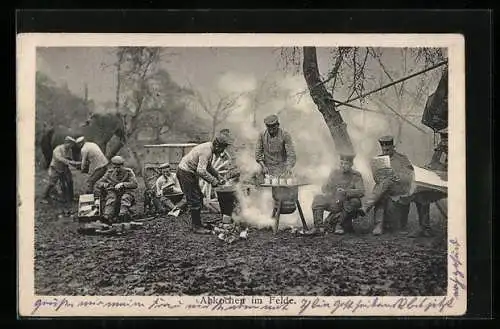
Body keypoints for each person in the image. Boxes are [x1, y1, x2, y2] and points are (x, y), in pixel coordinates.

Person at [176, 129, 233, 234]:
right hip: (185, 172)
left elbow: (208, 166)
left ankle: (198, 224)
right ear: (217, 146)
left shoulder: (209, 148)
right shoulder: (206, 151)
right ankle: (196, 227)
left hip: (190, 172)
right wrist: (214, 181)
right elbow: (201, 170)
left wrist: (218, 175)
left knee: (199, 196)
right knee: (194, 200)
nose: (222, 152)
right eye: (222, 149)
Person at [362, 135, 415, 236]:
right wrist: (383, 178)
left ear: (392, 147)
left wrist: (397, 176)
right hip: (385, 189)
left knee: (385, 184)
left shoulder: (402, 159)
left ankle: (367, 207)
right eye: (384, 149)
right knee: (383, 187)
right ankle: (379, 225)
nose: (385, 151)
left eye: (388, 149)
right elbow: (377, 178)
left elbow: (409, 176)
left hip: (400, 188)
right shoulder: (378, 160)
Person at [311, 153, 365, 234]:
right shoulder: (334, 173)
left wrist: (345, 192)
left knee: (355, 201)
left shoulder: (356, 175)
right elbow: (325, 189)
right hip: (334, 202)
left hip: (347, 204)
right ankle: (319, 227)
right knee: (318, 198)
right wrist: (327, 187)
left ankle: (339, 225)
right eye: (341, 163)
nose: (343, 165)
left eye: (346, 163)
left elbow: (361, 191)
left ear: (351, 164)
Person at [410, 127, 448, 237]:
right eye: (443, 140)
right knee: (420, 193)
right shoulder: (441, 147)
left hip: (456, 183)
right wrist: (427, 168)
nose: (444, 143)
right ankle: (424, 227)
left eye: (447, 140)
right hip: (441, 181)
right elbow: (434, 163)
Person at [94, 155, 138, 223]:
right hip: (113, 192)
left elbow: (134, 184)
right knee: (111, 198)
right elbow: (98, 183)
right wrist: (105, 184)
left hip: (126, 192)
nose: (117, 169)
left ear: (123, 165)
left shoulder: (129, 172)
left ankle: (122, 215)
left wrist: (123, 184)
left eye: (119, 167)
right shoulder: (109, 173)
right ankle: (107, 216)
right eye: (115, 167)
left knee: (125, 198)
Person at [41, 136, 81, 203]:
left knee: (70, 181)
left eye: (72, 144)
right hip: (55, 168)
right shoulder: (58, 149)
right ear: (66, 142)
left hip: (64, 168)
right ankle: (44, 197)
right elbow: (59, 159)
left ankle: (70, 197)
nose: (71, 146)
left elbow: (69, 159)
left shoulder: (69, 150)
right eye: (70, 144)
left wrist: (77, 164)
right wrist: (70, 162)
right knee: (51, 183)